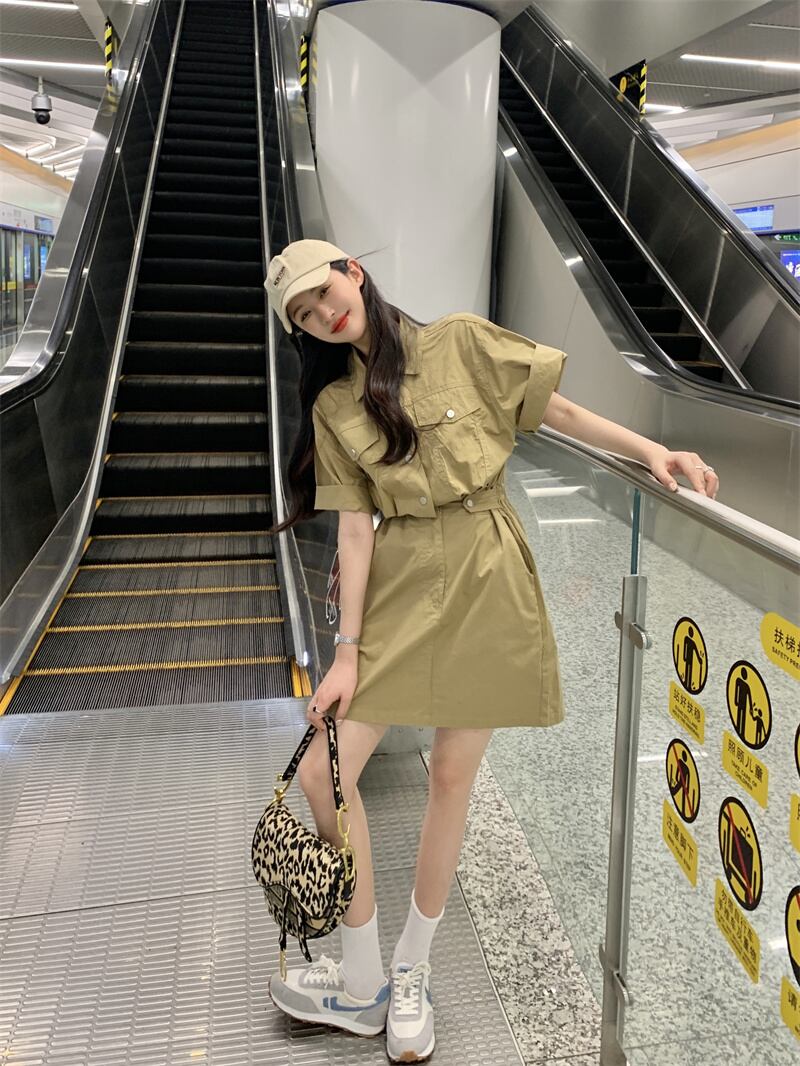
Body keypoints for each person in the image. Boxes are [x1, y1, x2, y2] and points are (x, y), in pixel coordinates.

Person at [263, 239, 719, 1062]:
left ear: (353, 272)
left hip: (486, 573)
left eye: (323, 292)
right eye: (303, 315)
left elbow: (557, 411)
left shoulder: (462, 342)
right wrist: (346, 652)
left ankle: (411, 971)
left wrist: (651, 450)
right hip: (400, 584)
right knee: (323, 775)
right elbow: (356, 532)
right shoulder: (333, 405)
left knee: (450, 777)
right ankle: (362, 980)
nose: (323, 314)